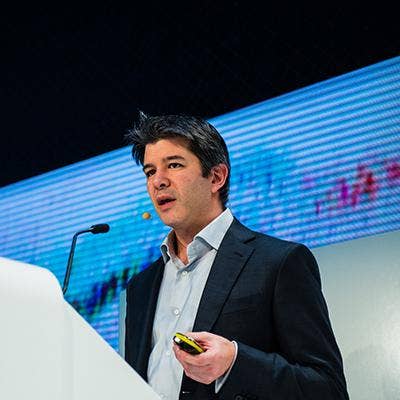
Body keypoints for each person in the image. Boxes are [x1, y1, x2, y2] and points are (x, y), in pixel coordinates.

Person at [124, 113, 349, 400]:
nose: (158, 181)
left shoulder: (278, 262)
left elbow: (328, 389)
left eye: (174, 165)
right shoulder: (140, 287)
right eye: (150, 171)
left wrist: (235, 362)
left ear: (216, 177)